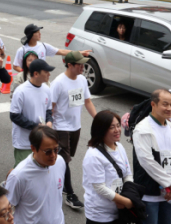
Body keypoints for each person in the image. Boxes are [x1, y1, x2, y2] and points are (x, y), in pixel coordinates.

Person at [50, 51, 97, 209]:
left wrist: (98, 118)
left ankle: (58, 181)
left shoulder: (82, 80)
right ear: (69, 65)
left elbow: (88, 101)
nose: (83, 67)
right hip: (60, 127)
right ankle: (70, 194)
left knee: (65, 160)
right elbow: (51, 107)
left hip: (75, 127)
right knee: (64, 160)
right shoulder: (58, 82)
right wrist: (49, 126)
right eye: (80, 64)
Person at [133, 89, 171, 224]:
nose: (169, 108)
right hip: (150, 195)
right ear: (153, 105)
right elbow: (147, 162)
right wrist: (169, 183)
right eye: (165, 104)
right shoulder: (142, 129)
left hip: (170, 194)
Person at [83, 110, 134, 224]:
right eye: (112, 127)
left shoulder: (120, 147)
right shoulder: (93, 155)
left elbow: (127, 174)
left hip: (119, 210)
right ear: (101, 130)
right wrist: (125, 201)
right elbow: (100, 188)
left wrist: (127, 194)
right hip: (100, 215)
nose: (117, 130)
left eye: (118, 126)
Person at [6, 125, 66, 224]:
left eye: (56, 149)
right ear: (33, 148)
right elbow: (7, 208)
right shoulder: (18, 176)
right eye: (48, 152)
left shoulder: (60, 162)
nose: (53, 155)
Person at [9, 59, 54, 167]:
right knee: (22, 172)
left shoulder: (46, 89)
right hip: (24, 142)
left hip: (40, 141)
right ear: (36, 74)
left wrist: (49, 121)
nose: (49, 74)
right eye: (46, 71)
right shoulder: (21, 91)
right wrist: (36, 127)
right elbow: (14, 115)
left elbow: (48, 110)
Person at [12, 24, 90, 72]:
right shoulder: (22, 50)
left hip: (41, 79)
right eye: (37, 32)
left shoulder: (43, 46)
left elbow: (62, 52)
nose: (40, 34)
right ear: (31, 35)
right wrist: (25, 73)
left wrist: (80, 52)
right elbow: (15, 66)